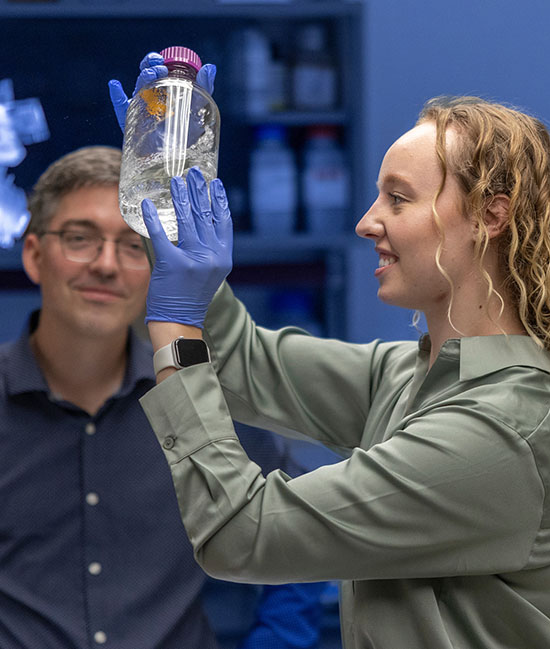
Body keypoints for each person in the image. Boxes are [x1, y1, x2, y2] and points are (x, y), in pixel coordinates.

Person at [131, 96, 550, 649]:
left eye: (397, 199)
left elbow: (243, 532)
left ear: (489, 217)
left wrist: (175, 333)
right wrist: (156, 187)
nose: (365, 222)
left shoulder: (499, 433)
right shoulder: (415, 376)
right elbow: (243, 361)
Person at [0, 145, 327, 649]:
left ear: (158, 267)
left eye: (134, 246)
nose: (107, 265)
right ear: (34, 255)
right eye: (80, 239)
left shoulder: (199, 400)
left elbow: (304, 532)